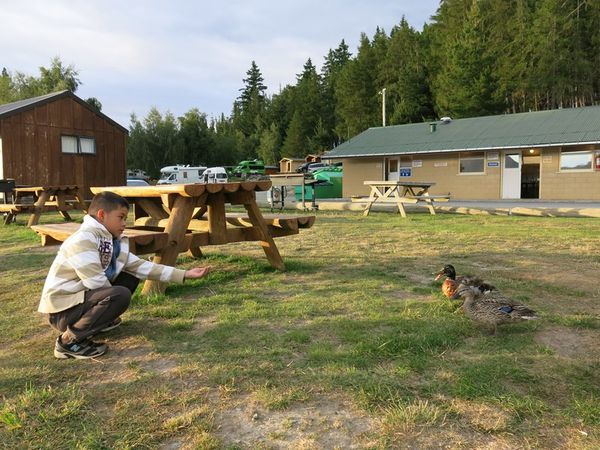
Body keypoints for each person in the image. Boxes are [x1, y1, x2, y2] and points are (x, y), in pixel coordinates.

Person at [38, 191, 210, 360]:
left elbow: (141, 267)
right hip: (62, 313)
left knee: (130, 276)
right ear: (101, 215)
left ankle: (98, 322)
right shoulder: (83, 240)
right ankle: (67, 342)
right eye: (121, 217)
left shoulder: (111, 241)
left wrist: (185, 274)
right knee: (119, 295)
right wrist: (111, 304)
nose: (124, 223)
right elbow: (96, 282)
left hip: (78, 304)